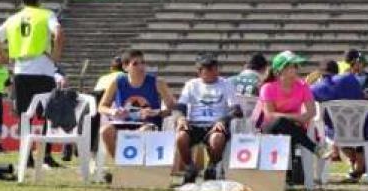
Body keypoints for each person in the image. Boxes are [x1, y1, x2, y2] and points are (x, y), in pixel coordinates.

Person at [0, 0, 64, 168]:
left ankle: (26, 156)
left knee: (24, 116)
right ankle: (45, 156)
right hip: (43, 70)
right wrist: (55, 56)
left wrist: (4, 56)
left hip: (21, 71)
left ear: (22, 0)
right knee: (47, 115)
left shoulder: (13, 19)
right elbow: (59, 33)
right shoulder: (46, 15)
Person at [98, 49, 175, 159]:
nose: (141, 67)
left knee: (142, 132)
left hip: (149, 125)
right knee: (105, 131)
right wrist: (113, 111)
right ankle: (120, 162)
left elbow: (173, 107)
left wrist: (156, 112)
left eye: (143, 63)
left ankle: (129, 164)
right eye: (135, 64)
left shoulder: (158, 82)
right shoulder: (117, 82)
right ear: (125, 67)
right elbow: (101, 107)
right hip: (123, 123)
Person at [175, 54, 241, 182]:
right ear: (200, 72)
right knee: (181, 137)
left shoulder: (226, 84)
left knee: (217, 138)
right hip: (194, 123)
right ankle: (190, 167)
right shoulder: (191, 85)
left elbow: (237, 110)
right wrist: (181, 118)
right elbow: (179, 106)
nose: (214, 73)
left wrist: (223, 120)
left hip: (215, 124)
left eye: (215, 69)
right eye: (209, 70)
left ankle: (211, 166)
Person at [311, 60, 368, 182]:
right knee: (353, 134)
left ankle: (358, 164)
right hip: (364, 130)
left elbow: (307, 95)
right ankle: (360, 165)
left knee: (335, 133)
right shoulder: (350, 79)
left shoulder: (318, 87)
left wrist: (311, 83)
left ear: (321, 74)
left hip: (338, 133)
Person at [257, 51, 326, 165]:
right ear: (280, 71)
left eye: (295, 66)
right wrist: (296, 117)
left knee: (289, 132)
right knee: (281, 122)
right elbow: (270, 115)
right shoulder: (267, 88)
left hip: (295, 127)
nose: (295, 70)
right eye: (290, 67)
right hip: (271, 127)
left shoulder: (303, 87)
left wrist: (301, 118)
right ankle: (314, 148)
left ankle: (289, 175)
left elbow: (312, 111)